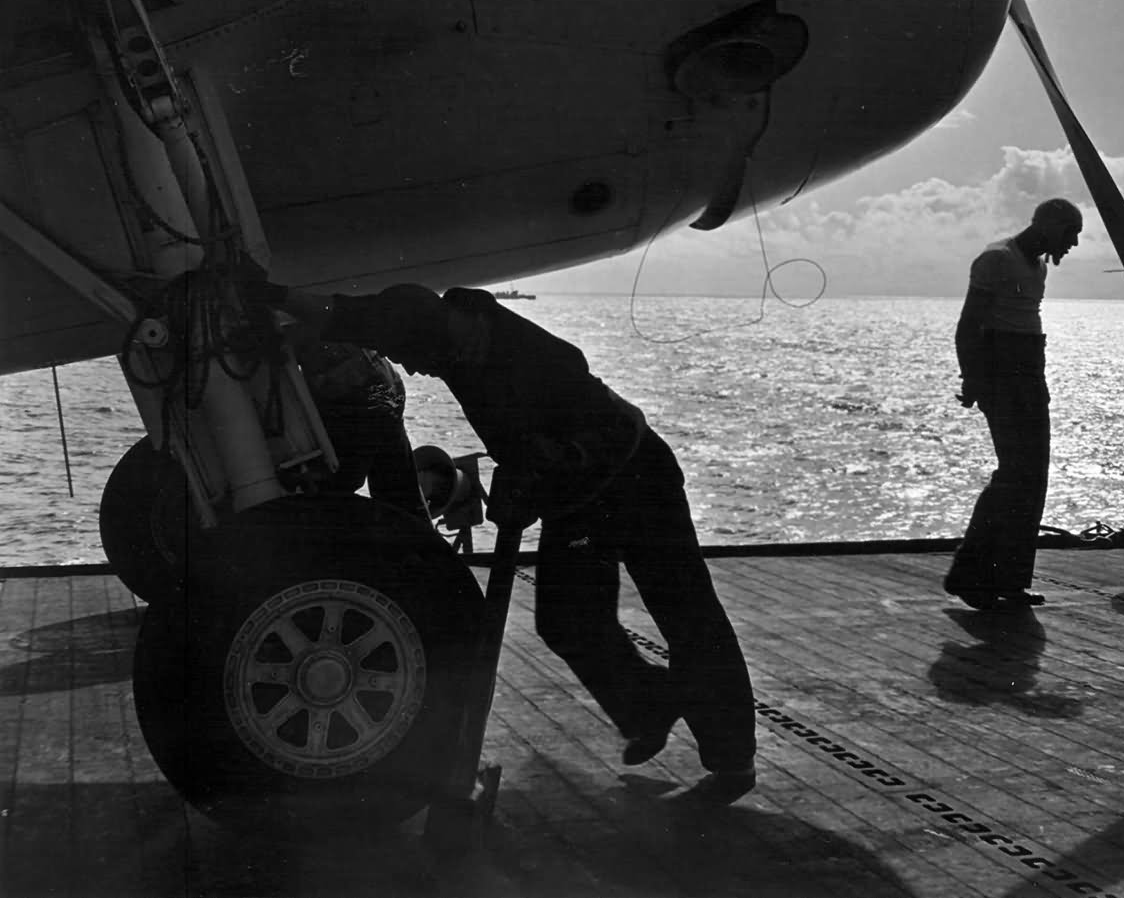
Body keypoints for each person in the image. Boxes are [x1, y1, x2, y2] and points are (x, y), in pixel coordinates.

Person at [266, 279, 758, 802]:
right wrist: (267, 292)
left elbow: (597, 427)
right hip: (575, 497)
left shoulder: (518, 352)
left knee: (687, 615)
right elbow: (350, 313)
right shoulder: (447, 337)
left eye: (407, 356)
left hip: (636, 480)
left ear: (428, 337)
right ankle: (649, 708)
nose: (409, 369)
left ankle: (732, 765)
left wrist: (539, 471)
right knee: (567, 620)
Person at [944, 198, 1083, 611]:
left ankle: (1010, 579)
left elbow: (1027, 325)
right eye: (1070, 233)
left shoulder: (1038, 265)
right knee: (1014, 473)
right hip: (1001, 375)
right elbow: (969, 326)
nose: (1073, 244)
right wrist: (972, 378)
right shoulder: (996, 260)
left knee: (1033, 475)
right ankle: (970, 575)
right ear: (1049, 226)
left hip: (1030, 373)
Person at [294, 335, 430, 522]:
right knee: (402, 497)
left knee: (330, 498)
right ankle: (423, 546)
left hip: (354, 397)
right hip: (382, 385)